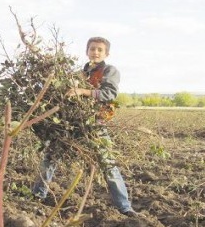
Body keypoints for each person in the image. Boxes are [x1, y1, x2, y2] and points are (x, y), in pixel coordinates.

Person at [32, 37, 143, 217]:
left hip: (95, 125)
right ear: (87, 51)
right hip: (73, 124)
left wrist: (83, 91)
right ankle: (38, 195)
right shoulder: (79, 74)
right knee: (50, 158)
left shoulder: (109, 70)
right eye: (92, 49)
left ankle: (125, 207)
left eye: (100, 50)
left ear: (106, 53)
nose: (95, 52)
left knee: (108, 165)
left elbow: (109, 93)